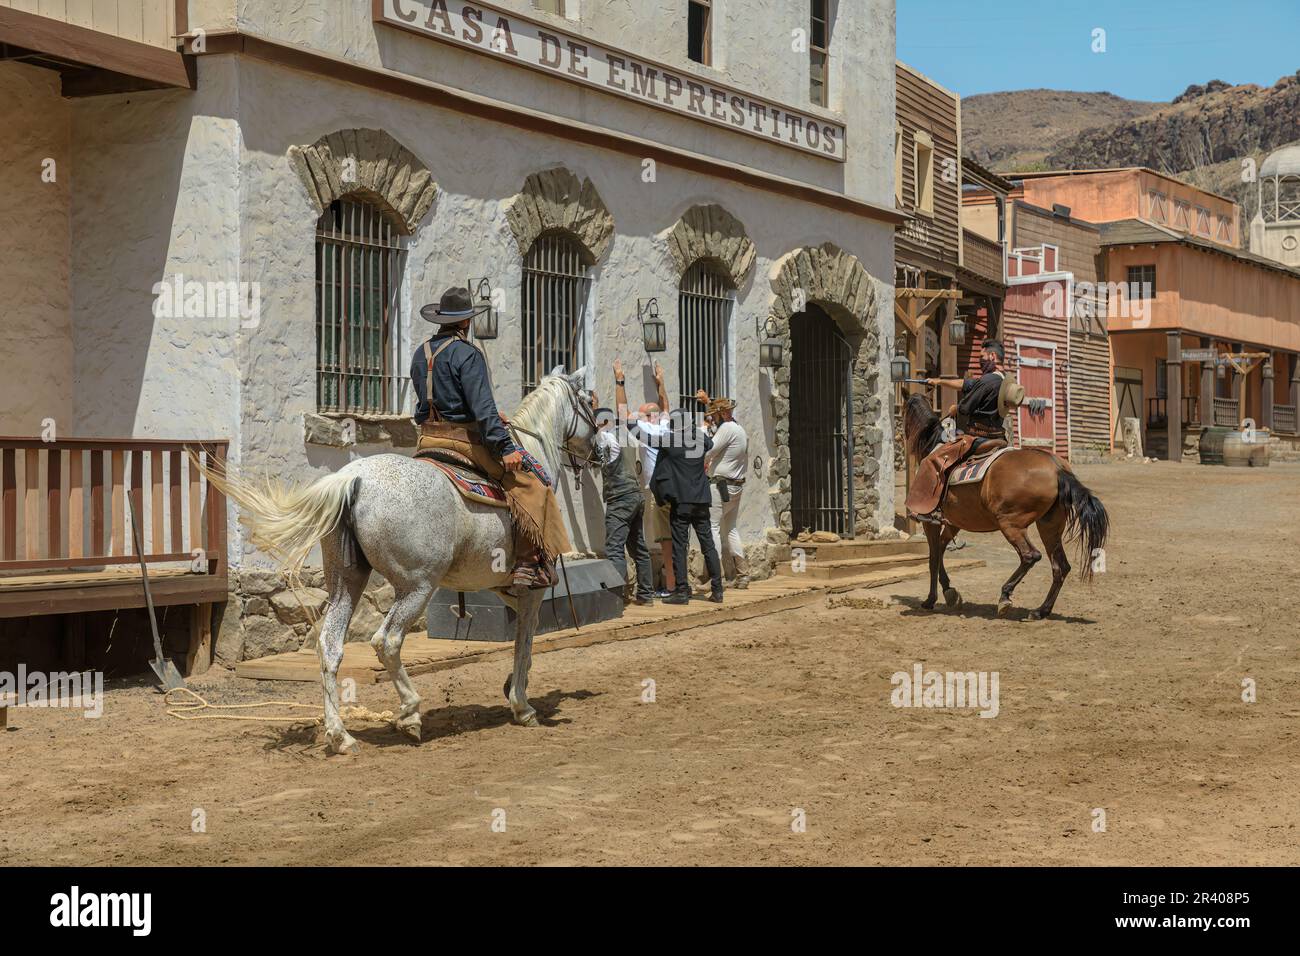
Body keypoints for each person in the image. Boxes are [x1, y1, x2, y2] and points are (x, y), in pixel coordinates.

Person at [411, 286, 570, 592]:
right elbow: (480, 408)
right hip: (463, 442)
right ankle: (528, 565)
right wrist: (505, 446)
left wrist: (489, 415)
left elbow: (437, 400)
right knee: (534, 483)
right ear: (466, 322)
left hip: (428, 440)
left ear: (442, 320)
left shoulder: (421, 353)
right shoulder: (468, 353)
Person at [905, 340, 1022, 525]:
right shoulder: (1002, 379)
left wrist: (955, 408)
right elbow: (967, 384)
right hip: (998, 437)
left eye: (982, 357)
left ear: (992, 356)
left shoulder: (986, 380)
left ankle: (930, 511)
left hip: (976, 437)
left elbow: (966, 408)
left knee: (931, 460)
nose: (980, 361)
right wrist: (939, 381)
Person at [627, 407, 722, 604]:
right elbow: (710, 442)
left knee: (679, 546)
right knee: (708, 545)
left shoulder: (671, 441)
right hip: (702, 500)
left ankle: (680, 591)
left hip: (682, 502)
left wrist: (629, 421)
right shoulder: (699, 440)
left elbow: (642, 436)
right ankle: (718, 590)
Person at [613, 358, 676, 597]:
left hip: (658, 491)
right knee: (675, 537)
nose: (636, 418)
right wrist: (661, 383)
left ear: (648, 418)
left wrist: (619, 380)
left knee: (665, 539)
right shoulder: (666, 426)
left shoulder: (648, 430)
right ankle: (677, 583)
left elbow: (621, 413)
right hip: (675, 489)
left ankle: (671, 586)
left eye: (640, 416)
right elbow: (666, 405)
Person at [592, 397, 654, 605]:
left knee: (614, 548)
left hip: (620, 498)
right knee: (638, 548)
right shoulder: (626, 434)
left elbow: (592, 437)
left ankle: (616, 598)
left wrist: (592, 416)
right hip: (635, 495)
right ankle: (646, 595)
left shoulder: (605, 437)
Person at [694, 388, 751, 589]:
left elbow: (708, 449)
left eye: (714, 414)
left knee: (713, 528)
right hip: (736, 486)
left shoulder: (726, 428)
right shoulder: (739, 429)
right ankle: (743, 575)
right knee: (731, 529)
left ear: (721, 413)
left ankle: (713, 577)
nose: (713, 417)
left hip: (721, 485)